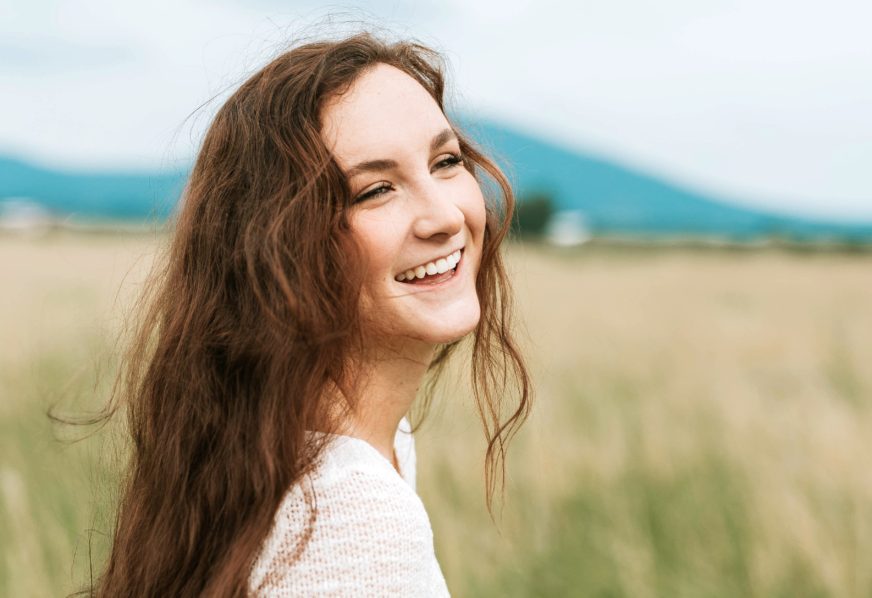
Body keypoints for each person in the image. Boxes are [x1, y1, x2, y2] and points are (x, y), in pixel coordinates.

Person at [93, 29, 531, 596]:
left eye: (446, 161)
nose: (444, 215)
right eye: (376, 190)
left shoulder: (298, 446)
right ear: (280, 250)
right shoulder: (351, 515)